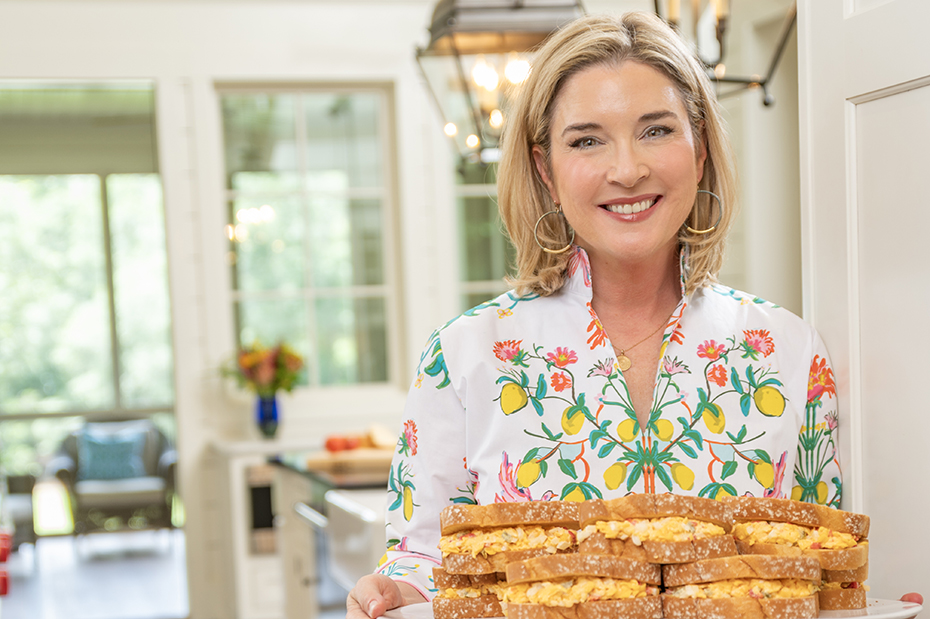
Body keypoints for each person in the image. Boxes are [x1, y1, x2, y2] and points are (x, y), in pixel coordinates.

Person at [347, 11, 922, 618]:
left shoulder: (788, 350)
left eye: (656, 130)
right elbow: (427, 561)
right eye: (587, 140)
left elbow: (817, 569)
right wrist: (394, 594)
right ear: (546, 171)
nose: (627, 169)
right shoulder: (464, 355)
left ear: (699, 151)